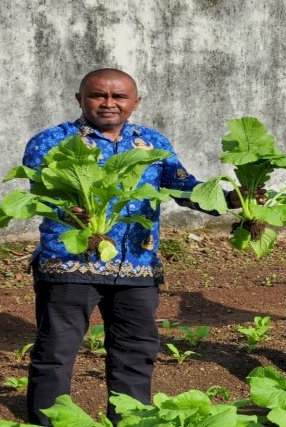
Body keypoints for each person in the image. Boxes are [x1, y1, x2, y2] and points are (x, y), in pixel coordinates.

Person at [22, 69, 215, 424]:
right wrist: (69, 210)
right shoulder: (51, 141)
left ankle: (130, 419)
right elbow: (41, 193)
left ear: (135, 102)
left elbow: (185, 186)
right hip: (70, 264)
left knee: (136, 350)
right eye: (98, 95)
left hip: (137, 265)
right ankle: (46, 421)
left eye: (119, 97)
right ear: (80, 99)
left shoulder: (152, 143)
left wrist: (227, 197)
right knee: (56, 351)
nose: (109, 103)